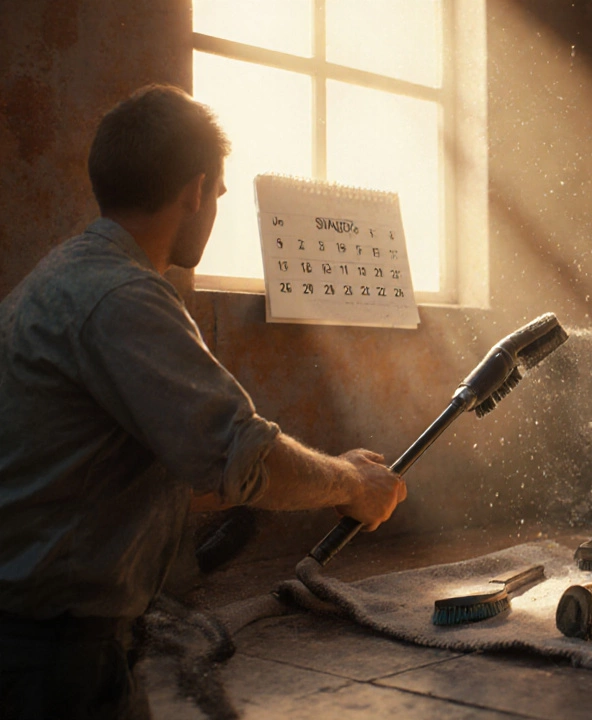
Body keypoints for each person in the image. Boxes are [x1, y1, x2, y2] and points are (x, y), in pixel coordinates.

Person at [0, 84, 408, 719]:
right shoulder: (124, 299)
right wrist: (353, 484)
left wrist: (332, 474)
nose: (215, 210)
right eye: (218, 195)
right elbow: (243, 458)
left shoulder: (58, 280)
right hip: (52, 656)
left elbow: (123, 468)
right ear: (194, 191)